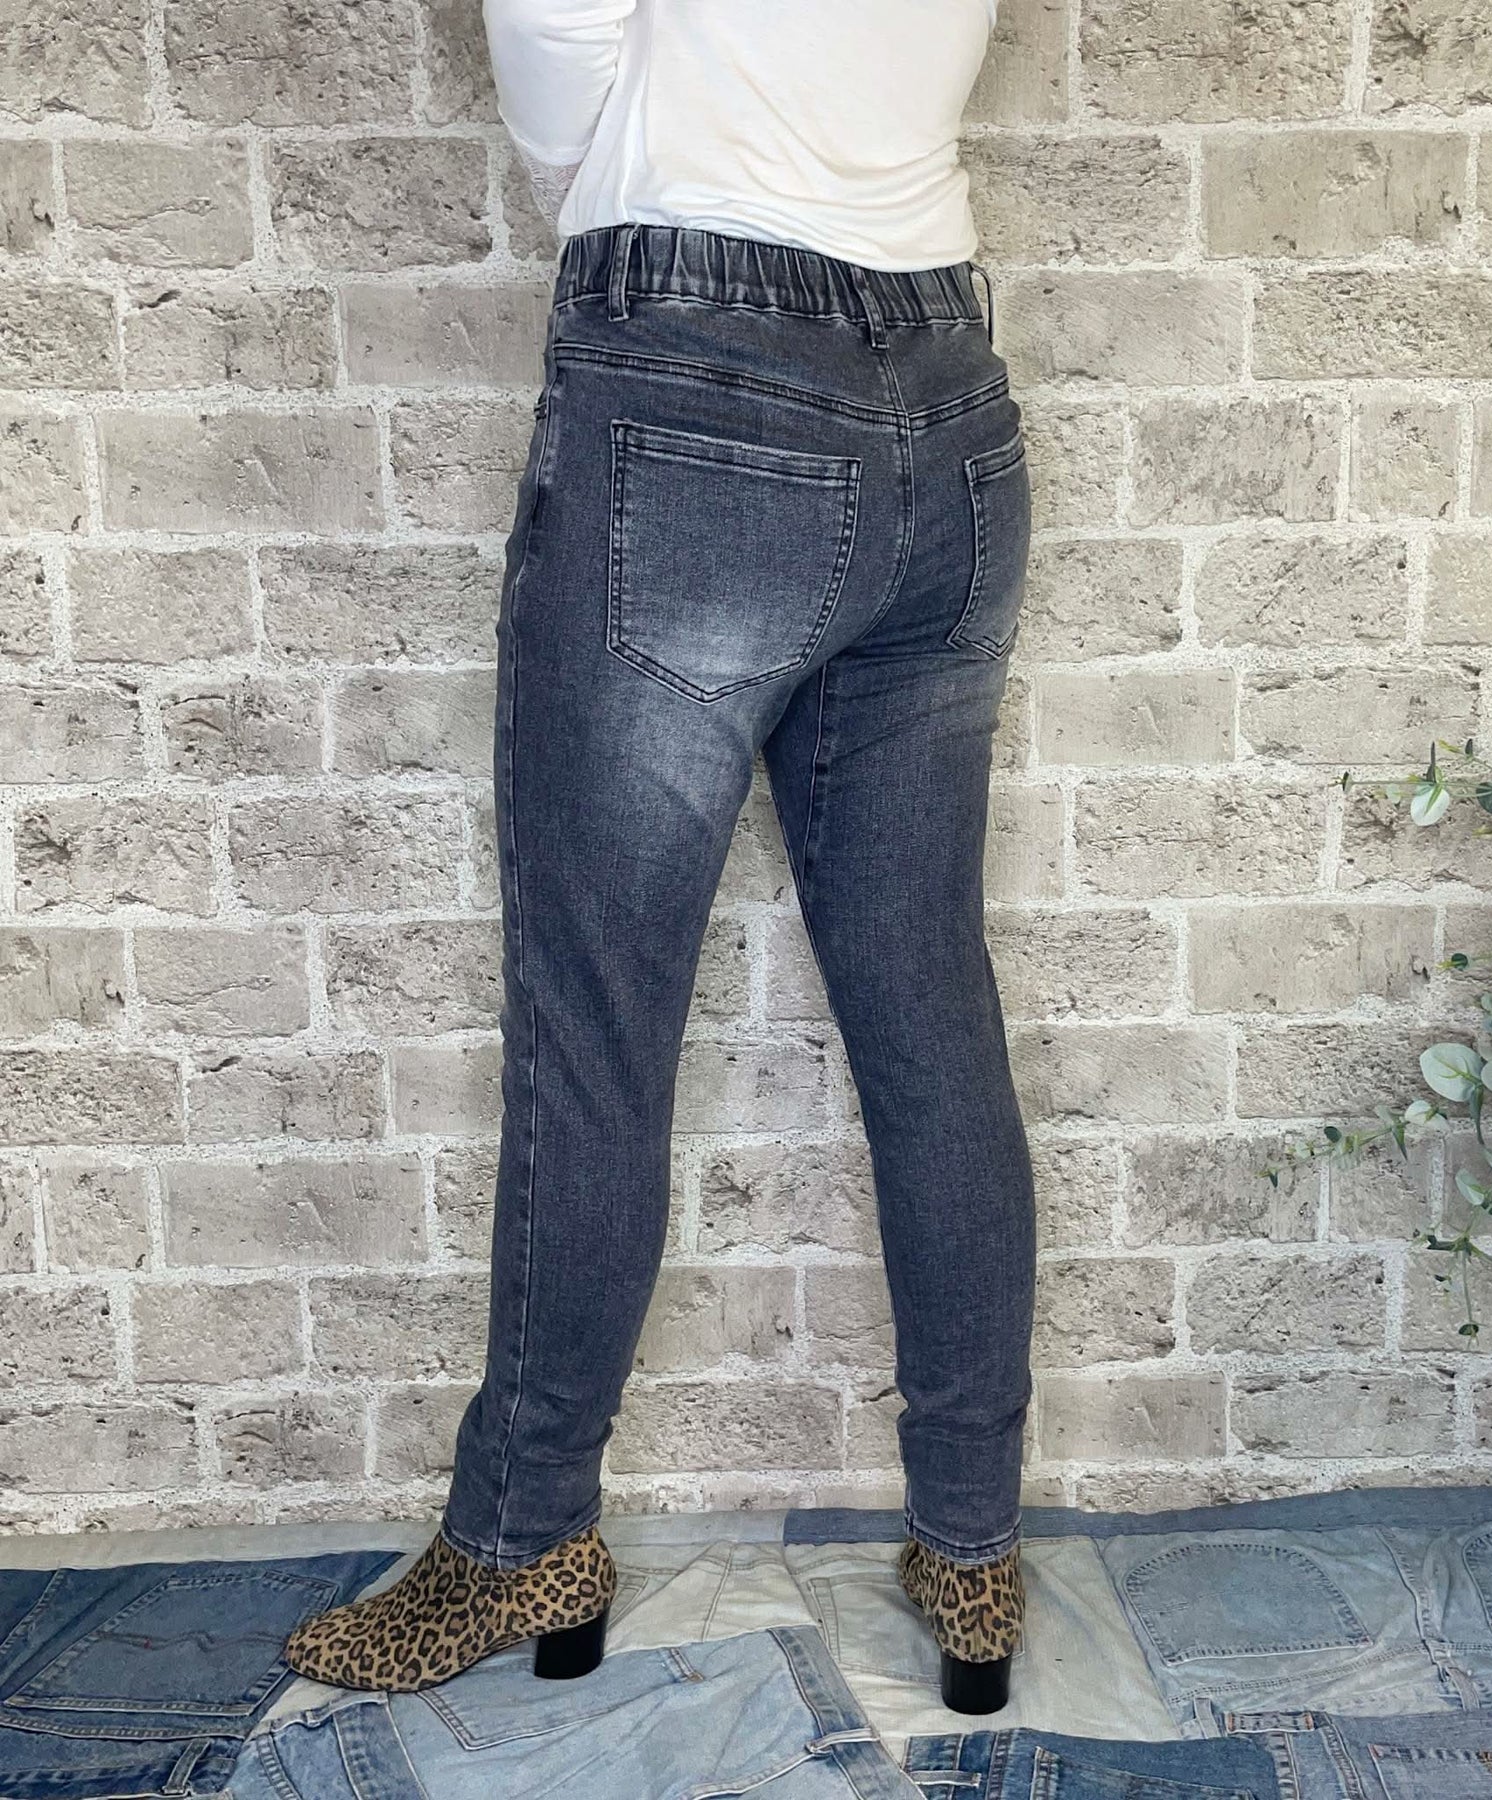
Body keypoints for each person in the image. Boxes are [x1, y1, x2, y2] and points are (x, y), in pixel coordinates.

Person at [281, 0, 1036, 1716]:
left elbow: (557, 25)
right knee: (932, 1016)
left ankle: (523, 1539)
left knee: (597, 1033)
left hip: (695, 385)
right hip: (950, 397)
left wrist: (618, 185)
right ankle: (972, 1550)